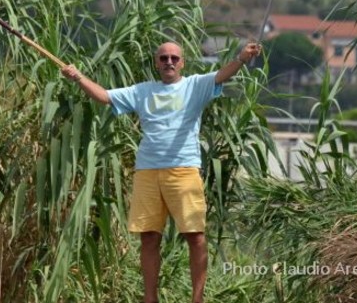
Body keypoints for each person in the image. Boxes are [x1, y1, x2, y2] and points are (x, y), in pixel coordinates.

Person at [61, 41, 262, 303]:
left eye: (174, 58)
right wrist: (77, 77)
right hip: (148, 172)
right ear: (156, 63)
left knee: (196, 236)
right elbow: (104, 96)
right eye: (164, 58)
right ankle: (150, 298)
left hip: (184, 170)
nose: (169, 62)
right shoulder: (142, 91)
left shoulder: (195, 85)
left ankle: (197, 298)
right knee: (148, 237)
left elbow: (223, 74)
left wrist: (242, 58)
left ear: (183, 62)